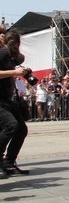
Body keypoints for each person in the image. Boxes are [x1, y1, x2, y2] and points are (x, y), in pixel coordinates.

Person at [0, 30, 31, 175]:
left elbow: (21, 59)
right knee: (11, 125)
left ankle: (9, 161)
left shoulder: (9, 56)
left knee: (21, 128)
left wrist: (22, 70)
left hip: (6, 99)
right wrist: (15, 73)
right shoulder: (2, 53)